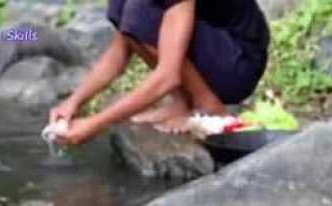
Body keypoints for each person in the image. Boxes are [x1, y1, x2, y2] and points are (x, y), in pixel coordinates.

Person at [49, 0, 270, 145]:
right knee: (126, 10)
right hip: (215, 52)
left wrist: (95, 123)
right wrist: (74, 101)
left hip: (239, 61)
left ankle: (209, 106)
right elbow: (118, 54)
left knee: (140, 13)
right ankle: (182, 104)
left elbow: (168, 76)